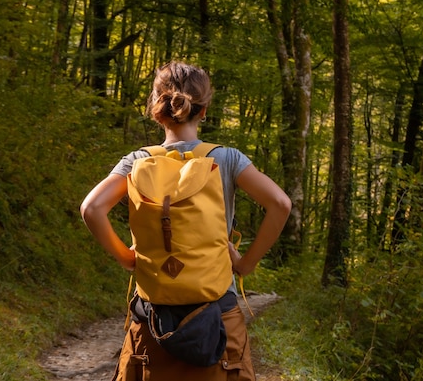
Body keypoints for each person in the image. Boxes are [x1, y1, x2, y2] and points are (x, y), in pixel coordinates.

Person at [80, 61, 292, 381]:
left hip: (152, 320)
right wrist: (246, 264)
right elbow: (280, 203)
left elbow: (92, 208)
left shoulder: (137, 161)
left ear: (156, 108)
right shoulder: (227, 158)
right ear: (203, 110)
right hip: (216, 315)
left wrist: (128, 258)